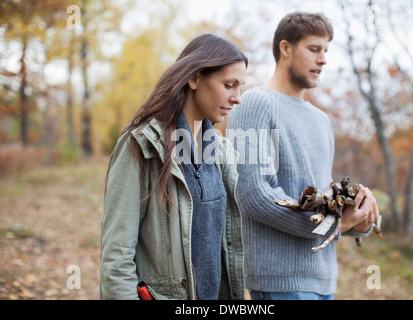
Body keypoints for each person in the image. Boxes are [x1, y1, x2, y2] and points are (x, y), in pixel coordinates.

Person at [227, 12, 380, 300]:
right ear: (285, 48)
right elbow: (253, 195)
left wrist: (355, 218)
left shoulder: (321, 120)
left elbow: (320, 202)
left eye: (325, 51)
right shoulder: (253, 104)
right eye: (314, 49)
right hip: (280, 280)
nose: (323, 59)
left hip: (324, 280)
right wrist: (332, 225)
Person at [100, 34, 248, 300]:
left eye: (240, 87)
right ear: (194, 79)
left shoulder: (220, 151)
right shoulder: (142, 145)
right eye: (229, 85)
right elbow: (116, 257)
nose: (237, 97)